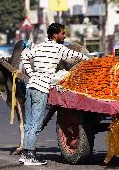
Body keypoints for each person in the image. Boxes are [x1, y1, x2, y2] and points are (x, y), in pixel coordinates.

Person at [19, 23, 89, 165]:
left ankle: (25, 154)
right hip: (41, 89)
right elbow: (76, 56)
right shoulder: (58, 48)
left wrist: (32, 73)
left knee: (29, 123)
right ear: (55, 35)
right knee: (36, 124)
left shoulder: (39, 46)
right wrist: (91, 59)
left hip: (31, 86)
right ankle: (30, 156)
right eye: (63, 33)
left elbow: (24, 56)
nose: (65, 36)